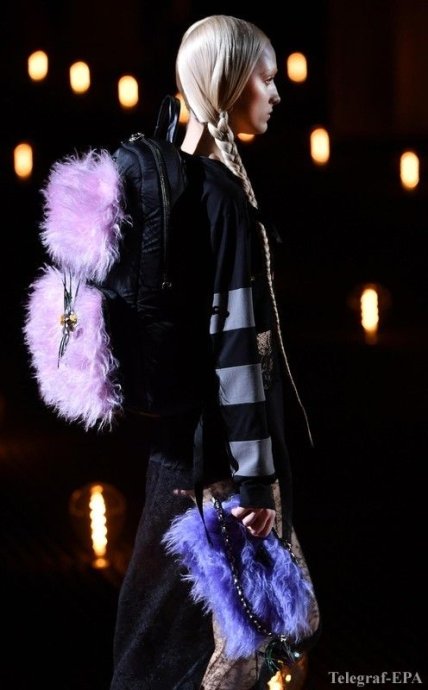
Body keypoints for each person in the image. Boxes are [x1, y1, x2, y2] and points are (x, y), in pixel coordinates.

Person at [109, 14, 319, 690]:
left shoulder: (181, 184)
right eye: (265, 78)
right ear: (229, 83)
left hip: (179, 450)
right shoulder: (218, 196)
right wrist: (257, 480)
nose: (275, 93)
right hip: (222, 468)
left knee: (171, 639)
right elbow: (236, 347)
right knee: (237, 646)